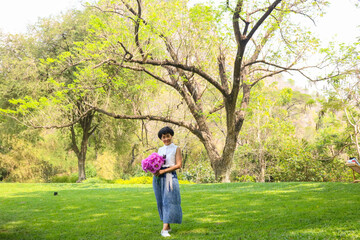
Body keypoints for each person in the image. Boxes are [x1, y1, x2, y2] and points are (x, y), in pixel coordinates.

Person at [153, 126, 183, 237]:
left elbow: (178, 165)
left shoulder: (176, 148)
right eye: (163, 137)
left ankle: (164, 229)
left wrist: (163, 171)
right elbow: (157, 164)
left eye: (168, 136)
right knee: (161, 201)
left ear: (171, 136)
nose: (166, 139)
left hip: (170, 176)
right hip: (158, 178)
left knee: (169, 201)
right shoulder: (160, 150)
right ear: (161, 138)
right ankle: (168, 225)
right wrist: (154, 169)